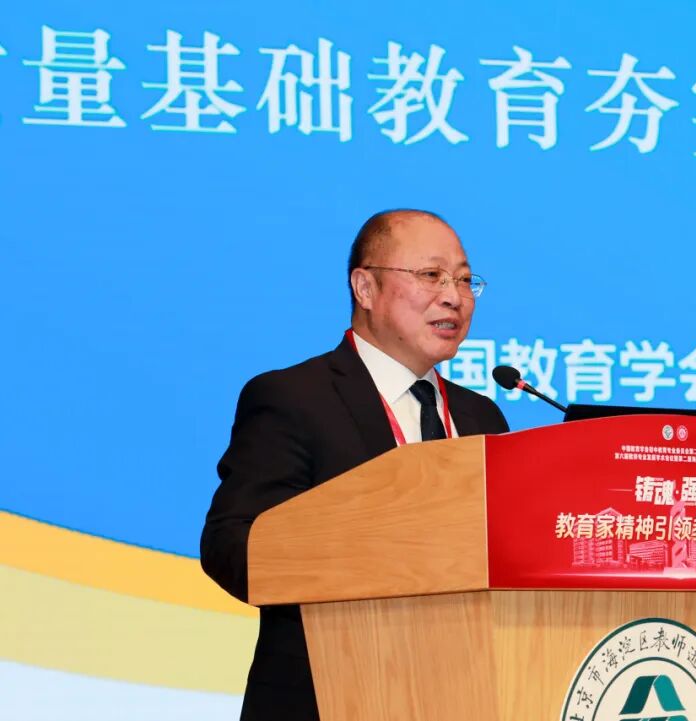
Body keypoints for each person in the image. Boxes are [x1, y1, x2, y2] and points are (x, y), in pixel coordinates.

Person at [200, 209, 509, 721]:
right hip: (329, 695)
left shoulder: (482, 416)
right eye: (431, 275)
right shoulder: (294, 398)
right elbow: (233, 547)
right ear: (365, 287)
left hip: (466, 693)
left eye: (463, 279)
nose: (454, 296)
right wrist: (377, 551)